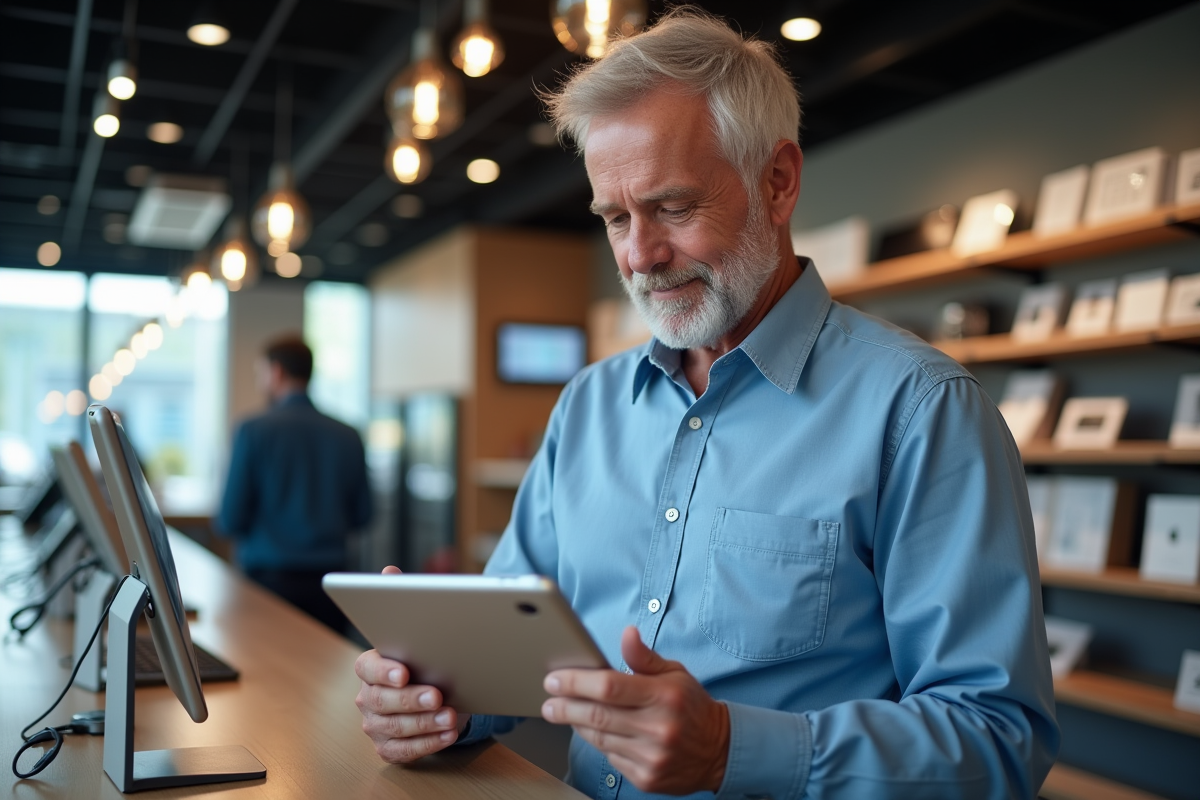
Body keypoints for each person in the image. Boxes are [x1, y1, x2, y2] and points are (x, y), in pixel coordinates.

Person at [353, 9, 1059, 798]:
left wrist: (734, 749)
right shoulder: (588, 406)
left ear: (778, 182)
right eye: (615, 218)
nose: (638, 256)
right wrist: (431, 702)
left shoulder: (922, 411)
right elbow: (508, 663)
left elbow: (999, 737)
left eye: (673, 208)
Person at [217, 335, 371, 634]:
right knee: (326, 673)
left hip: (268, 583)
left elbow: (230, 519)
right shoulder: (348, 434)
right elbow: (364, 515)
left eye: (260, 372)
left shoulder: (252, 431)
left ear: (276, 372)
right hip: (333, 585)